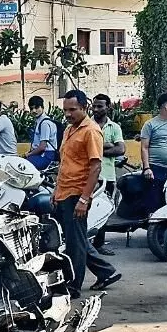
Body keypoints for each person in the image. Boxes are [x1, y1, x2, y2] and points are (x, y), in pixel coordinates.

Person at [53, 89, 121, 297]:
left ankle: (73, 287)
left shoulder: (91, 131)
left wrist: (84, 198)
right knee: (74, 240)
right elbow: (64, 163)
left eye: (72, 109)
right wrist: (56, 191)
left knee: (75, 245)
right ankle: (105, 271)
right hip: (64, 192)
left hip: (77, 193)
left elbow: (95, 167)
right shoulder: (69, 129)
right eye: (65, 110)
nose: (68, 114)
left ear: (84, 108)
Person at [89, 94, 126, 255]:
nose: (96, 109)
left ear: (108, 107)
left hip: (107, 176)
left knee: (103, 211)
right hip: (88, 175)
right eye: (94, 106)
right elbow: (84, 149)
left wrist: (96, 148)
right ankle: (87, 243)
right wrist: (107, 146)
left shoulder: (114, 127)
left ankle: (99, 244)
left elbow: (121, 149)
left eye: (100, 106)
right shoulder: (86, 125)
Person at [140, 92, 167, 216]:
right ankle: (152, 229)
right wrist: (147, 168)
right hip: (155, 168)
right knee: (154, 200)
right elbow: (144, 147)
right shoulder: (150, 124)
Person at [25, 96, 58, 170]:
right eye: (31, 108)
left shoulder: (44, 123)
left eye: (37, 107)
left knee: (23, 165)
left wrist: (28, 154)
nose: (34, 111)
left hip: (46, 156)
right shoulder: (39, 121)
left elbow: (42, 147)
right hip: (41, 154)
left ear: (42, 107)